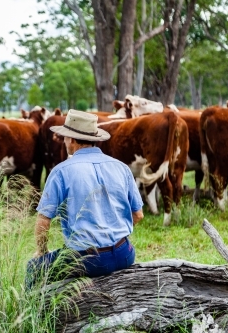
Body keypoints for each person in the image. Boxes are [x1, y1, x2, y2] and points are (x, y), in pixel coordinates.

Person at [26, 109, 144, 289]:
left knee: (34, 268)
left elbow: (43, 221)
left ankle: (33, 314)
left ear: (71, 139)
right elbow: (138, 215)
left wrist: (42, 251)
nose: (64, 141)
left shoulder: (61, 171)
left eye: (65, 137)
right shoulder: (121, 168)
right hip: (124, 253)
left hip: (86, 259)